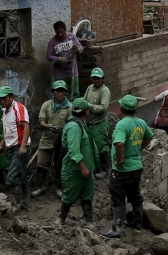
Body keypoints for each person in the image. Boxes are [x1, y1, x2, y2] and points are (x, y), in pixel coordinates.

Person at [105, 95, 150, 237]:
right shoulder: (141, 122)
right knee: (135, 196)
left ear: (121, 108)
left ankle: (116, 230)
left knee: (118, 199)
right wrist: (138, 150)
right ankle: (137, 224)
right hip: (136, 167)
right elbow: (149, 136)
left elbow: (119, 144)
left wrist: (118, 161)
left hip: (123, 169)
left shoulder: (122, 124)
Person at [57, 99, 96, 225]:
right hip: (75, 170)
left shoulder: (81, 124)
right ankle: (60, 219)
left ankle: (89, 223)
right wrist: (83, 168)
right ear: (87, 112)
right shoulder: (74, 127)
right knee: (69, 196)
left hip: (86, 169)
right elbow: (74, 151)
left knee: (87, 196)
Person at [33, 82, 72, 193]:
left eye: (62, 91)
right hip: (46, 138)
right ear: (53, 92)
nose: (60, 93)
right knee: (41, 164)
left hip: (61, 141)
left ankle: (58, 187)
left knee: (59, 164)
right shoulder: (47, 105)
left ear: (65, 92)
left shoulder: (69, 107)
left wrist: (62, 130)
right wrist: (47, 126)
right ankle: (41, 186)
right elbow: (41, 120)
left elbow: (71, 124)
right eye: (57, 91)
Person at [0, 86, 30, 209]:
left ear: (11, 97)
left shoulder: (18, 108)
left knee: (12, 176)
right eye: (0, 99)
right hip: (12, 148)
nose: (2, 101)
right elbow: (8, 131)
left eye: (4, 98)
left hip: (19, 147)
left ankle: (15, 204)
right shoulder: (5, 112)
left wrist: (23, 146)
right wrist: (2, 145)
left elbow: (26, 127)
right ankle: (25, 201)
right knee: (21, 174)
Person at [46, 20, 84, 96]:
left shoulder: (72, 37)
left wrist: (78, 49)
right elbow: (48, 56)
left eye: (62, 32)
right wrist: (59, 59)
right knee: (60, 95)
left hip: (73, 72)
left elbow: (81, 47)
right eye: (57, 33)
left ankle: (73, 107)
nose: (60, 34)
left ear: (65, 30)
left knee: (75, 93)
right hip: (60, 75)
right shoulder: (52, 42)